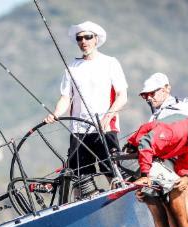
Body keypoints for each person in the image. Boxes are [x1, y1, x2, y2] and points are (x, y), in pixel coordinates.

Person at [44, 21, 128, 186]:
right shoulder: (72, 67)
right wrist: (56, 114)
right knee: (81, 179)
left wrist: (107, 117)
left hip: (105, 128)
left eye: (88, 37)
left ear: (96, 39)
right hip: (79, 130)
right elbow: (65, 97)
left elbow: (122, 96)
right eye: (79, 38)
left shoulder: (110, 62)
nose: (83, 41)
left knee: (113, 172)